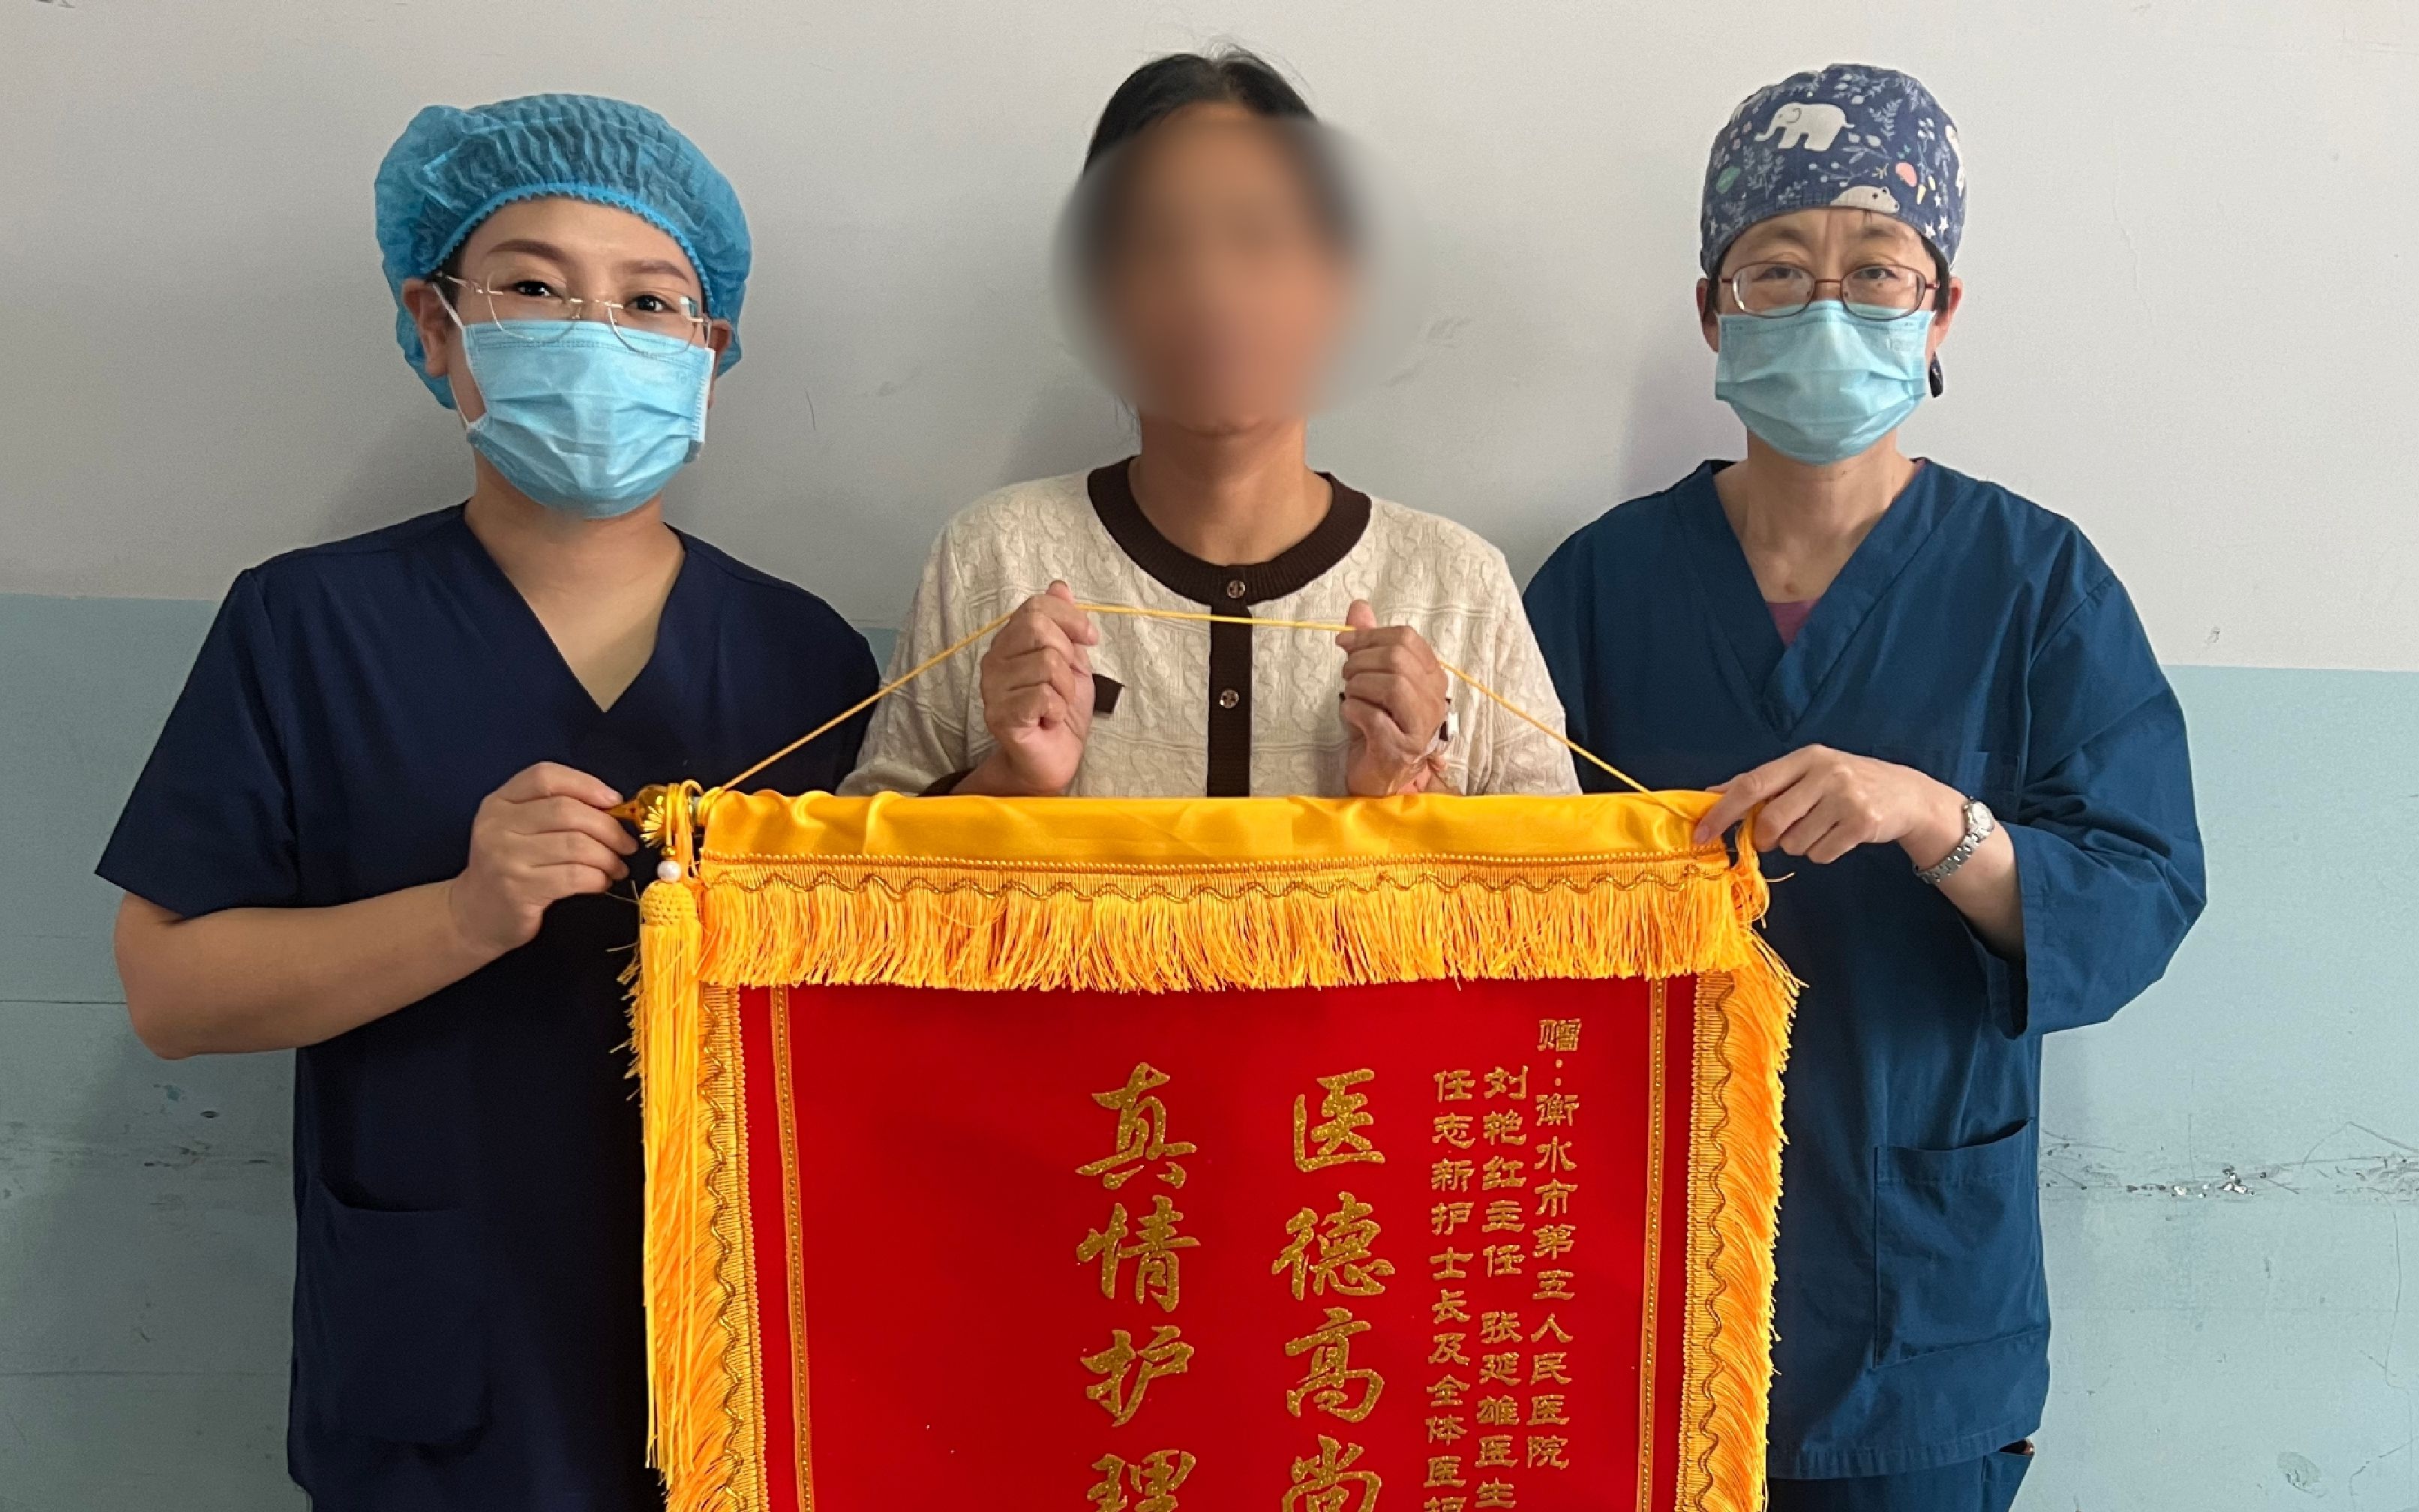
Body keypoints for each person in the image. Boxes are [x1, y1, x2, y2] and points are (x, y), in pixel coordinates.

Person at [99, 94, 876, 1509]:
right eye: (533, 287)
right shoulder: (307, 625)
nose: (597, 333)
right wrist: (460, 916)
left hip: (741, 1334)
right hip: (441, 1344)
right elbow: (171, 992)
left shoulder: (805, 658)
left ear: (709, 352)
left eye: (652, 301)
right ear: (439, 322)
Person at [1523, 64, 2204, 1512]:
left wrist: (1938, 821)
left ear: (1939, 311)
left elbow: (2139, 896)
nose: (1826, 307)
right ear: (1713, 312)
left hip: (1917, 1307)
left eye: (1877, 271)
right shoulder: (1601, 585)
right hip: (1633, 1281)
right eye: (1777, 270)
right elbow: (1499, 894)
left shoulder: (2035, 583)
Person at [845, 49, 1576, 800]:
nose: (1211, 289)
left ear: (1333, 287)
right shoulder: (991, 558)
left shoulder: (1459, 585)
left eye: (1257, 237)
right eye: (1160, 242)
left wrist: (1403, 802)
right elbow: (846, 863)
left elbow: (1579, 872)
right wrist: (1008, 782)